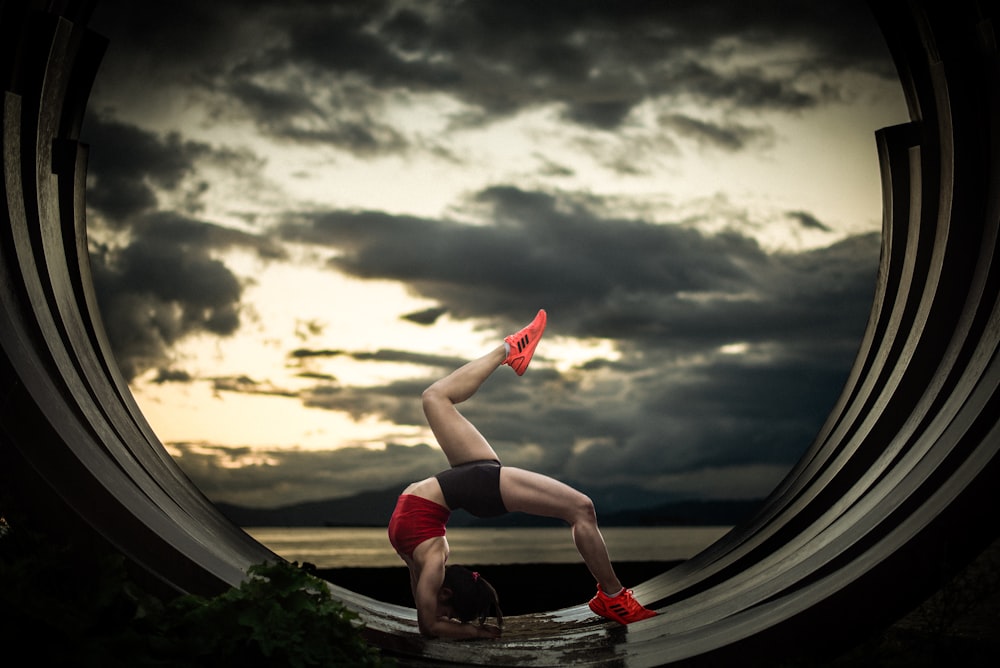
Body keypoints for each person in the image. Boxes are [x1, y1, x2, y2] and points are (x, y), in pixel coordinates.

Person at [387, 309, 657, 639]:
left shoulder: (426, 565)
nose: (439, 614)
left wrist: (459, 625)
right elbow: (430, 626)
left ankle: (511, 350)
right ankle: (613, 597)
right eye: (449, 615)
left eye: (448, 617)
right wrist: (481, 634)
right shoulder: (432, 560)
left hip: (467, 478)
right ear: (446, 595)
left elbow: (428, 622)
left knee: (434, 398)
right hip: (475, 487)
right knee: (581, 509)